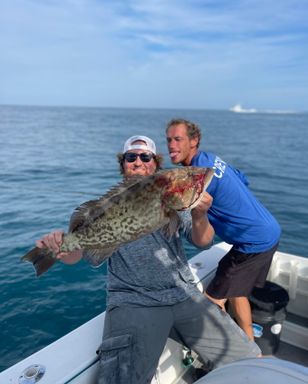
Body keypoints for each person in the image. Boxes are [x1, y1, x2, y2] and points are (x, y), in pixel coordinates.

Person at [35, 135, 261, 384]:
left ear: (155, 164)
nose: (138, 161)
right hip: (133, 302)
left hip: (184, 295)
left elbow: (203, 241)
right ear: (123, 164)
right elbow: (80, 254)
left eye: (146, 156)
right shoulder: (102, 208)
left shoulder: (173, 198)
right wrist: (61, 249)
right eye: (131, 157)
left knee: (250, 359)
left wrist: (199, 214)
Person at [166, 119, 281, 341]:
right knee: (237, 292)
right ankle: (250, 343)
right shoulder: (211, 159)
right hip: (268, 232)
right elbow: (242, 179)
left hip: (253, 243)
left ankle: (222, 356)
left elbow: (179, 203)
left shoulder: (198, 174)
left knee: (211, 301)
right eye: (169, 139)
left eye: (178, 139)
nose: (171, 144)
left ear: (194, 141)